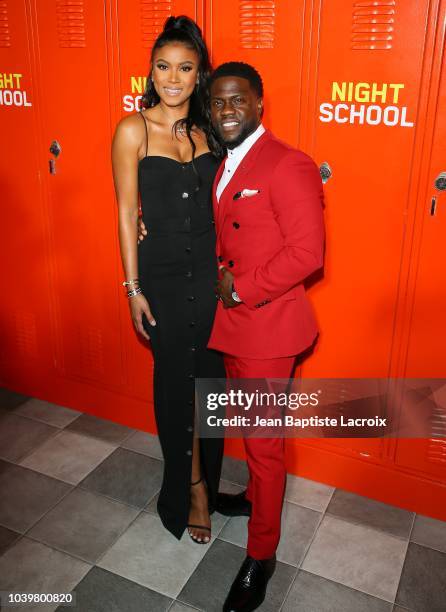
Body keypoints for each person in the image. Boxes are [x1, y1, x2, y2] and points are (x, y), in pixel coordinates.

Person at [208, 62, 325, 612]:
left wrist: (241, 289)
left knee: (263, 446)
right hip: (234, 326)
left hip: (267, 327)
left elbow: (308, 254)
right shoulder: (225, 162)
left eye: (237, 100)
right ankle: (255, 499)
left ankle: (262, 555)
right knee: (252, 433)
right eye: (217, 102)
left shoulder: (288, 164)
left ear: (259, 104)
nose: (226, 111)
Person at [111, 15, 226, 546]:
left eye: (184, 67)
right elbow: (125, 210)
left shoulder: (209, 130)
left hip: (208, 276)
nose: (172, 78)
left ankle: (208, 477)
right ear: (151, 71)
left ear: (199, 73)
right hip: (159, 275)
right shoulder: (133, 129)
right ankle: (190, 489)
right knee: (175, 388)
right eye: (163, 66)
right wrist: (132, 289)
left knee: (209, 384)